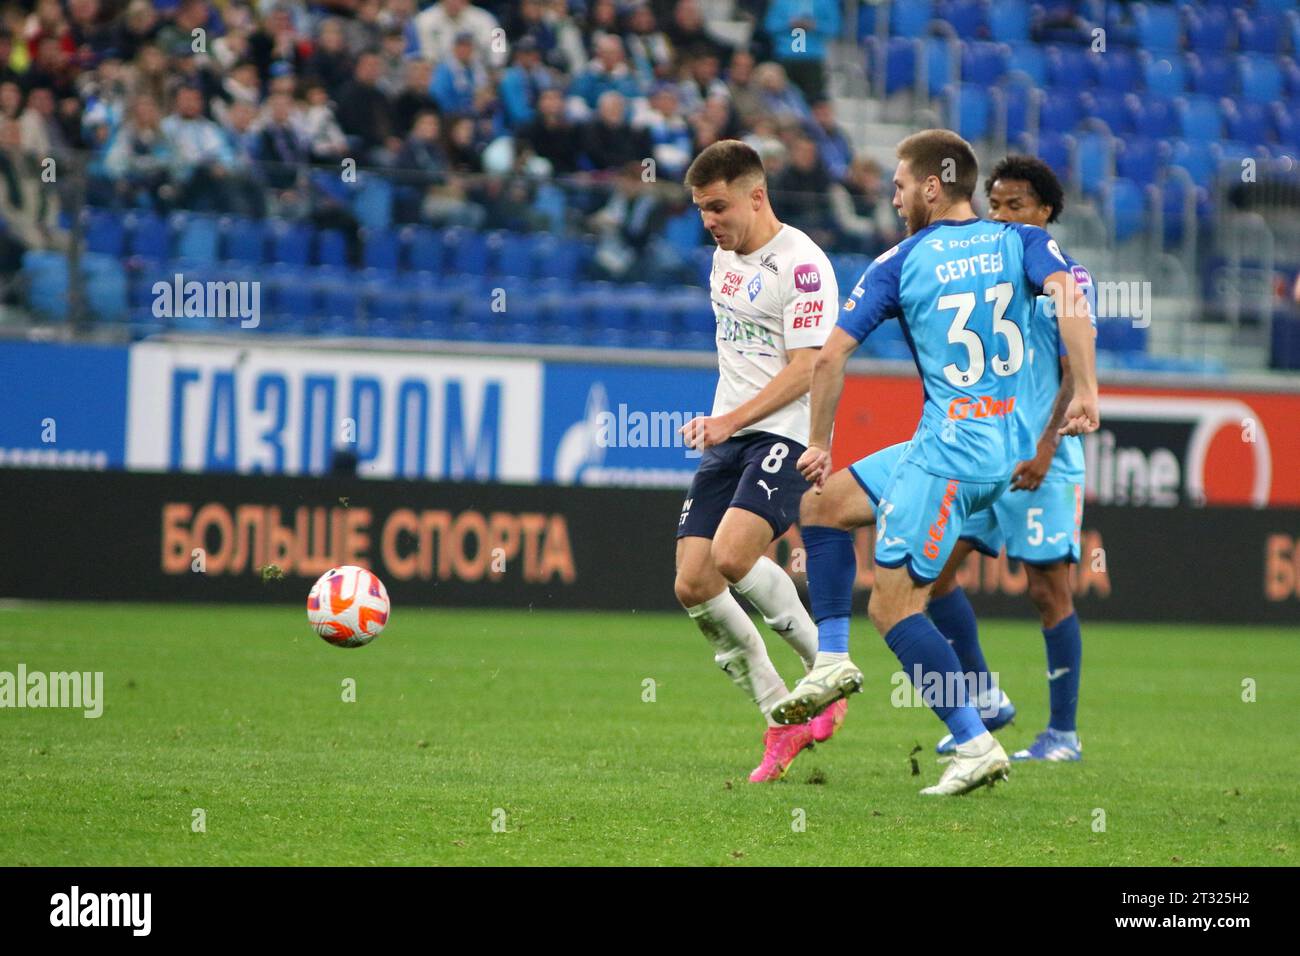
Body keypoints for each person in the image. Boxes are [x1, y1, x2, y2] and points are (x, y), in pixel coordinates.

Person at [770, 129, 1100, 795]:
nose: (892, 199)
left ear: (930, 185)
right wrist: (1088, 389)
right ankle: (832, 659)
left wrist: (818, 440)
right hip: (990, 449)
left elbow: (830, 356)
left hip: (952, 455)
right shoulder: (1022, 242)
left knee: (893, 612)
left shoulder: (901, 260)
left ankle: (975, 740)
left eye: (897, 186)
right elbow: (1070, 297)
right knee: (822, 505)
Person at [674, 139, 842, 783]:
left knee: (734, 555)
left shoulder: (802, 266)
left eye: (718, 207)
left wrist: (730, 421)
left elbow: (807, 368)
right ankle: (782, 714)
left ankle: (824, 667)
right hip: (731, 436)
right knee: (692, 583)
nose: (709, 222)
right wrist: (726, 425)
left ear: (757, 196)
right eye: (700, 210)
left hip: (783, 434)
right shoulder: (721, 261)